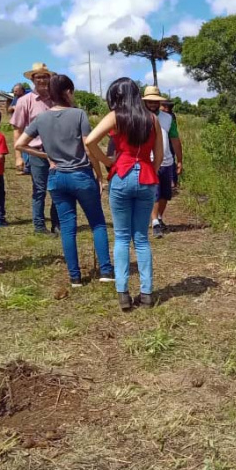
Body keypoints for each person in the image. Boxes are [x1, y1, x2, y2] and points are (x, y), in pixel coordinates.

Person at [17, 74, 114, 287]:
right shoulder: (79, 114)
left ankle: (75, 276)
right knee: (97, 222)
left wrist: (47, 157)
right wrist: (98, 174)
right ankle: (106, 270)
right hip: (81, 174)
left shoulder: (40, 119)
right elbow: (89, 147)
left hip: (57, 177)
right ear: (67, 92)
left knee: (68, 227)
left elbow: (20, 144)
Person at [85, 78, 162, 311]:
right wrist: (150, 171)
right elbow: (159, 154)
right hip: (146, 176)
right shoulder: (152, 119)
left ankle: (123, 293)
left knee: (121, 237)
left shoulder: (116, 116)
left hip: (122, 173)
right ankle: (147, 294)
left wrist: (109, 162)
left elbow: (89, 141)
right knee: (141, 238)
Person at [11, 62, 60, 234]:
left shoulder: (57, 99)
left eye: (45, 76)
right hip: (36, 152)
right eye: (38, 77)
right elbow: (17, 130)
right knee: (39, 190)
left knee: (58, 189)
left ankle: (57, 224)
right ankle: (39, 225)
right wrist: (18, 157)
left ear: (50, 78)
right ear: (32, 79)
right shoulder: (25, 101)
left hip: (58, 152)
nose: (42, 80)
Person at [143, 86, 182, 238]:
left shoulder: (168, 118)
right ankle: (154, 223)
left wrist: (180, 160)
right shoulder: (141, 116)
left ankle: (159, 218)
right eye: (149, 101)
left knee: (166, 193)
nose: (152, 104)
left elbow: (175, 139)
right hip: (149, 161)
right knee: (155, 193)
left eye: (155, 101)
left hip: (167, 161)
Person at [8, 83, 31, 175]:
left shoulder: (29, 96)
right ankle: (27, 166)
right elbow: (9, 109)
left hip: (28, 124)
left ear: (22, 90)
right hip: (19, 125)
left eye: (16, 91)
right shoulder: (16, 98)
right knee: (23, 144)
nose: (14, 93)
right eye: (14, 91)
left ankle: (28, 167)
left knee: (27, 145)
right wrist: (13, 107)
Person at [161, 99, 181, 188]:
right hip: (168, 140)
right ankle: (172, 180)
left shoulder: (169, 116)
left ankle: (172, 180)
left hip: (169, 140)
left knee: (170, 159)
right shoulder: (171, 115)